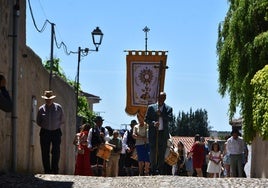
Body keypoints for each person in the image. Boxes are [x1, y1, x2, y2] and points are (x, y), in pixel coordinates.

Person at [36, 90, 64, 174]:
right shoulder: (41, 109)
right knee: (45, 151)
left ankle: (55, 170)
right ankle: (47, 170)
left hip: (56, 132)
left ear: (52, 99)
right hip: (45, 132)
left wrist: (55, 126)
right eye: (46, 99)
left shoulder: (58, 107)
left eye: (50, 99)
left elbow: (62, 120)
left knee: (56, 151)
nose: (48, 100)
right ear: (45, 99)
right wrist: (46, 126)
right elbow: (38, 121)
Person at [145, 91, 173, 175]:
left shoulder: (168, 108)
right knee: (153, 151)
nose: (161, 99)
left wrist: (161, 114)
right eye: (160, 97)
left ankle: (160, 169)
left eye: (163, 98)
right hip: (153, 133)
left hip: (163, 134)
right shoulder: (151, 107)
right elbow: (146, 119)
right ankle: (153, 169)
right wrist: (153, 123)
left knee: (162, 152)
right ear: (157, 98)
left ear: (165, 98)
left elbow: (170, 119)